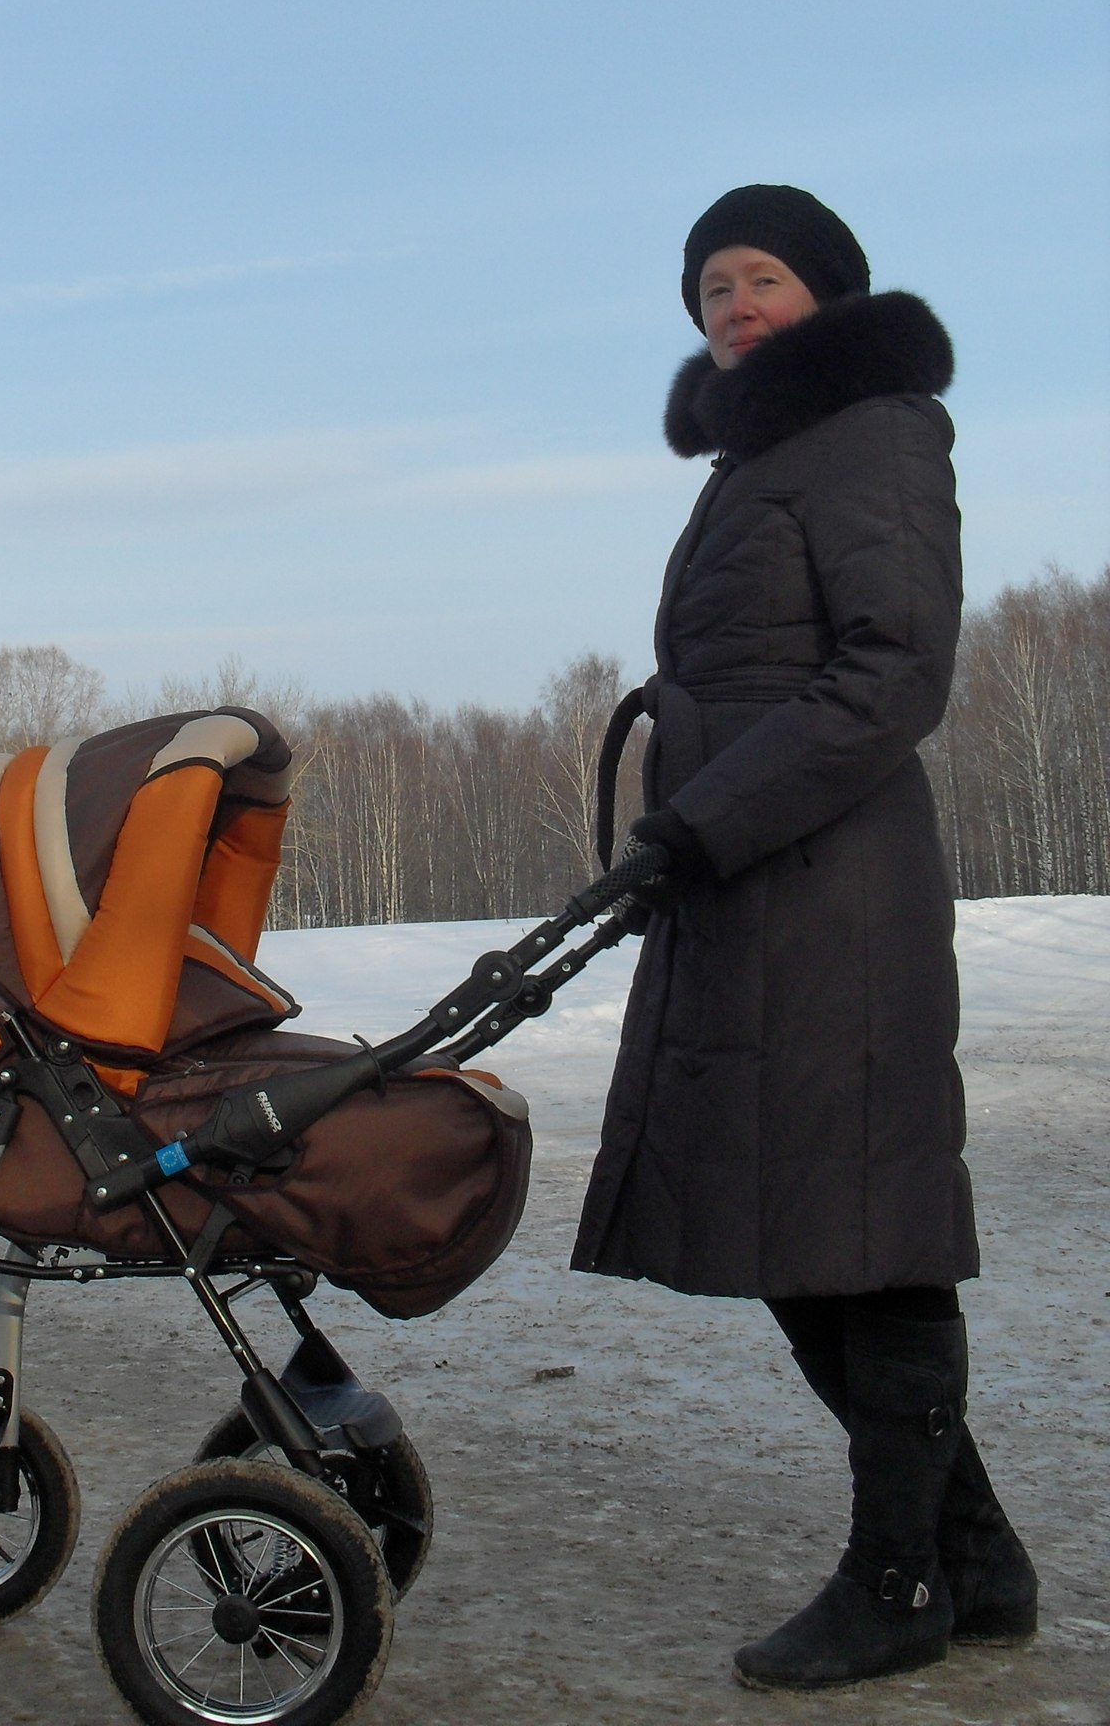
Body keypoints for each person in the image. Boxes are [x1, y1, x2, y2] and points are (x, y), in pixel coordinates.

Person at [571, 185, 1037, 1692]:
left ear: (827, 293)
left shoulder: (875, 431)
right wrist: (690, 832)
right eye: (711, 289)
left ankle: (898, 1582)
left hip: (832, 886)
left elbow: (895, 672)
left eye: (760, 277)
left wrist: (703, 817)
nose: (733, 307)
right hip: (749, 881)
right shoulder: (762, 460)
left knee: (866, 1238)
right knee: (796, 1228)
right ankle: (972, 1558)